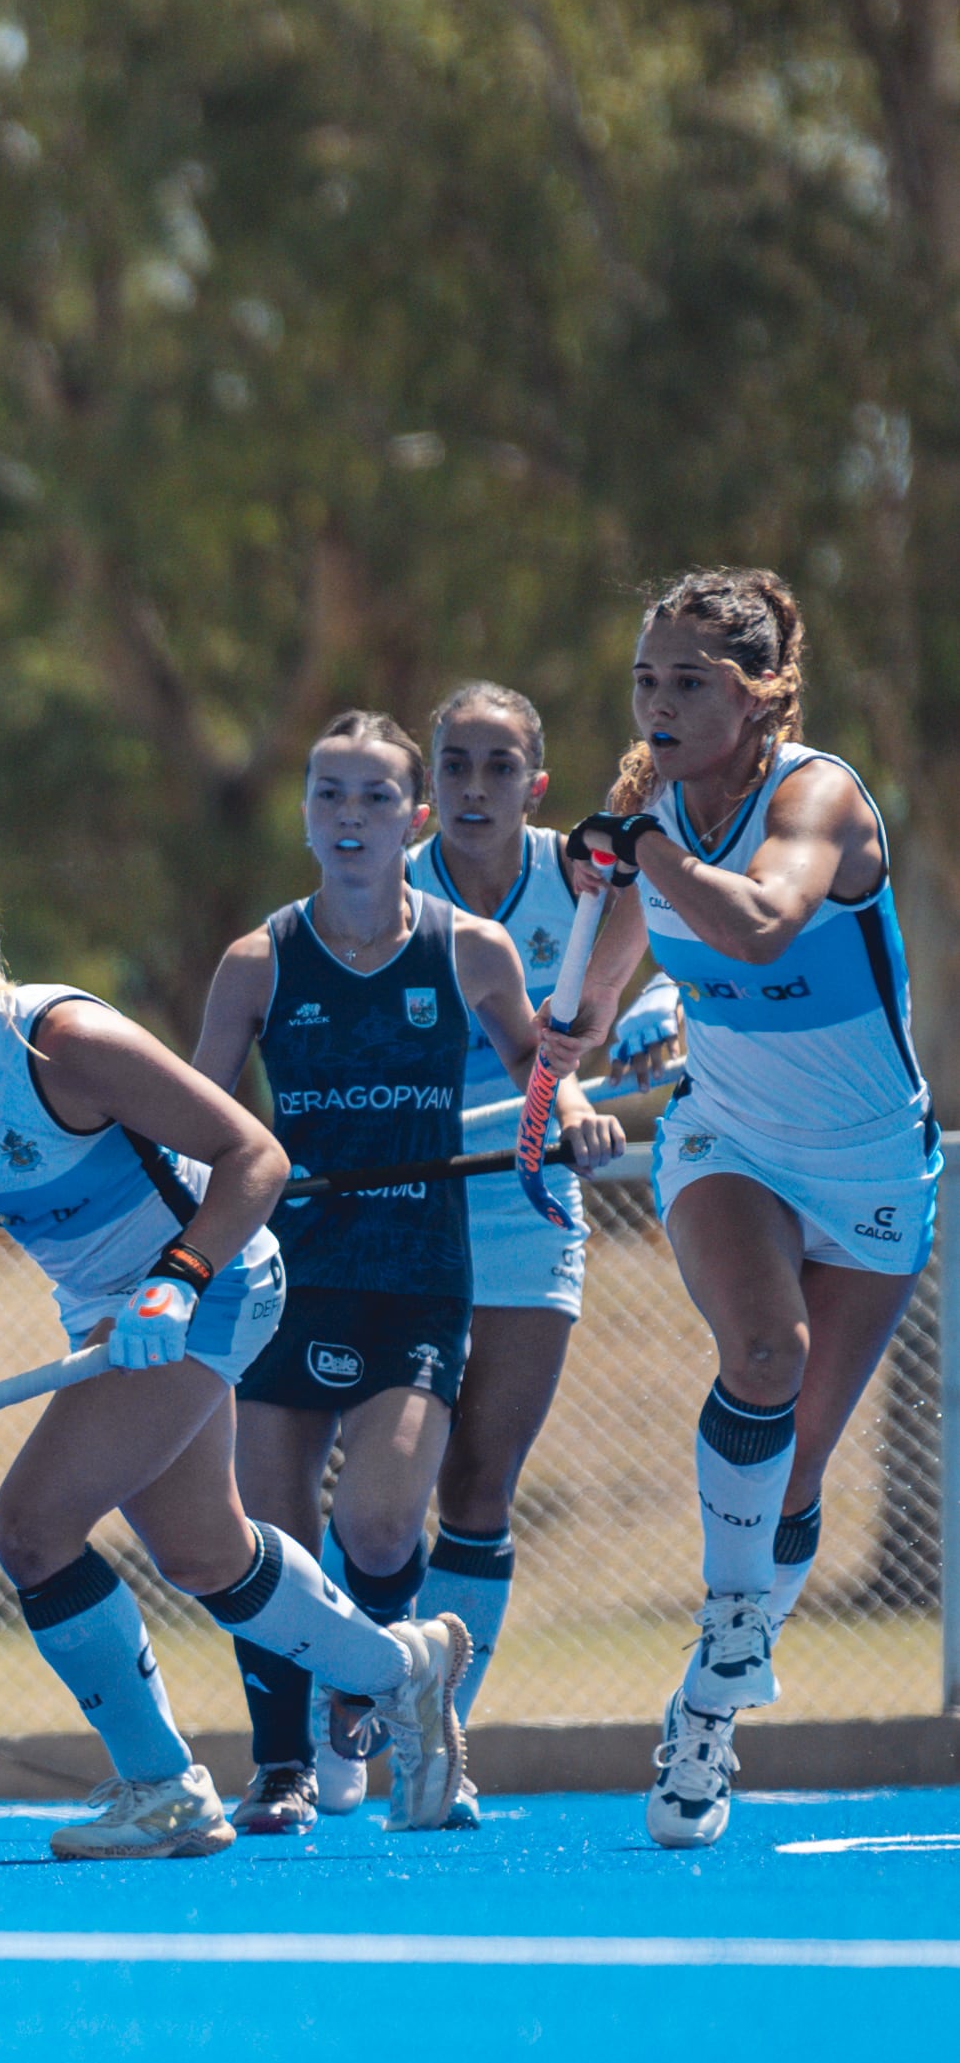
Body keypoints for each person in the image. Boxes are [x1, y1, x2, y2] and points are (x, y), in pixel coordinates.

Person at [0, 843, 471, 1859]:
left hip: (211, 1280)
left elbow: (254, 1155)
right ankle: (407, 1667)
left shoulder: (63, 1042)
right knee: (202, 1551)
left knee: (31, 1529)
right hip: (107, 1311)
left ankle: (163, 1786)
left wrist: (174, 1276)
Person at [551, 568, 935, 1849]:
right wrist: (567, 1067)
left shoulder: (812, 794)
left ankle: (709, 1688)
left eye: (688, 683)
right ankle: (724, 1668)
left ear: (760, 695)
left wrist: (641, 846)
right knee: (765, 1354)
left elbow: (766, 922)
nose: (656, 705)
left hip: (873, 1159)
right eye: (646, 680)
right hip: (730, 1137)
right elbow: (590, 998)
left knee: (801, 1466)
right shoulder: (641, 811)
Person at [194, 713, 617, 1837]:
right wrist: (172, 1257)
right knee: (269, 1539)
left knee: (381, 1527)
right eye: (327, 795)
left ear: (411, 818)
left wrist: (569, 1111)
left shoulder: (468, 946)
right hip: (289, 1275)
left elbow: (539, 1064)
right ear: (302, 814)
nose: (349, 817)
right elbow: (194, 1118)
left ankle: (371, 1685)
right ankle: (278, 1765)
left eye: (373, 798)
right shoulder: (257, 961)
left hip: (419, 1272)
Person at [401, 684, 630, 1748]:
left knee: (477, 1483)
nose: (475, 786)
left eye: (499, 766)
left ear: (534, 783)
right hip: (399, 1211)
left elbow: (615, 1012)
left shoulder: (582, 879)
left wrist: (614, 1061)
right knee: (382, 1488)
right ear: (427, 783)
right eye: (455, 763)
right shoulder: (388, 894)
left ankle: (436, 1733)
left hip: (527, 1207)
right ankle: (351, 1707)